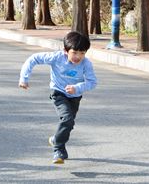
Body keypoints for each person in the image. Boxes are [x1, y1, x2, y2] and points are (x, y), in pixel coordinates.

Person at [18, 31, 97, 164]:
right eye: (75, 53)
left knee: (69, 123)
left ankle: (55, 139)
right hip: (58, 93)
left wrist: (77, 88)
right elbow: (33, 59)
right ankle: (59, 150)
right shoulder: (56, 57)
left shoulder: (86, 64)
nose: (78, 57)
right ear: (66, 51)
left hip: (75, 96)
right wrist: (24, 78)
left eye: (82, 53)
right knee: (67, 119)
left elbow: (92, 82)